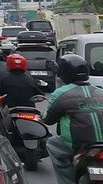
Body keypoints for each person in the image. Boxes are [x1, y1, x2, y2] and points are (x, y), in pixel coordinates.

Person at [44, 54, 103, 184]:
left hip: (78, 145)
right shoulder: (100, 91)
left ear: (63, 73)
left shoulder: (60, 93)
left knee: (52, 143)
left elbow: (48, 120)